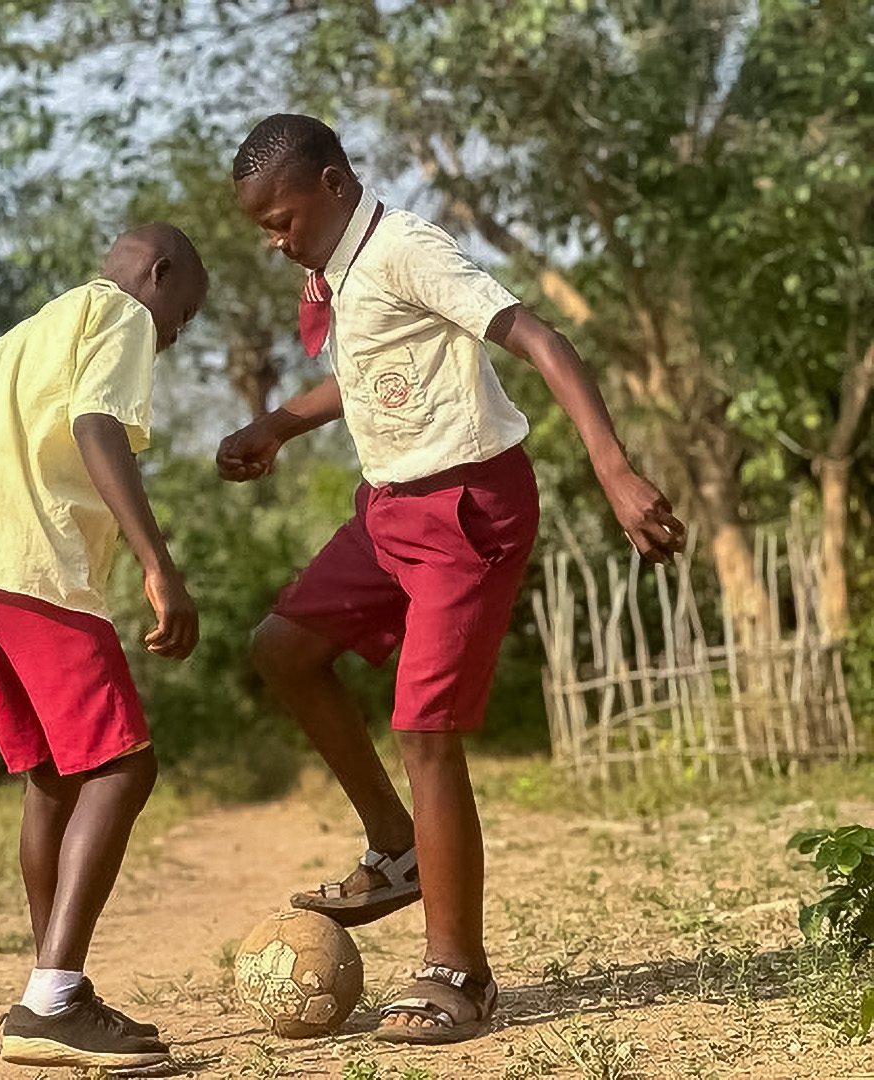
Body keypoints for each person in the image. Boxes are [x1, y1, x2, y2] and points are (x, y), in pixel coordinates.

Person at [218, 114, 686, 1044]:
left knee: (425, 727)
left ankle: (458, 972)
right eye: (263, 227)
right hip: (389, 509)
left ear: (335, 185)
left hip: (469, 507)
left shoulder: (408, 249)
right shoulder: (341, 267)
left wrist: (614, 469)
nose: (276, 241)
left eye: (282, 218)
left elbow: (541, 339)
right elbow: (368, 376)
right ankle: (396, 849)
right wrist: (277, 423)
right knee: (283, 649)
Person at [0, 224, 207, 1069]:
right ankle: (52, 995)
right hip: (33, 563)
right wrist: (158, 566)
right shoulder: (121, 315)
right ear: (160, 273)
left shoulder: (5, 347)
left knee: (52, 779)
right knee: (123, 766)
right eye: (185, 312)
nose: (177, 333)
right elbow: (98, 425)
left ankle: (56, 991)